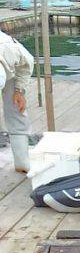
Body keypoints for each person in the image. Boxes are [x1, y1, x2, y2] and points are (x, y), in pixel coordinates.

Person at [0, 28, 34, 173]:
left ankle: (22, 163)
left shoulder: (9, 49)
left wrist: (19, 91)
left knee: (16, 112)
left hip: (11, 72)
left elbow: (27, 63)